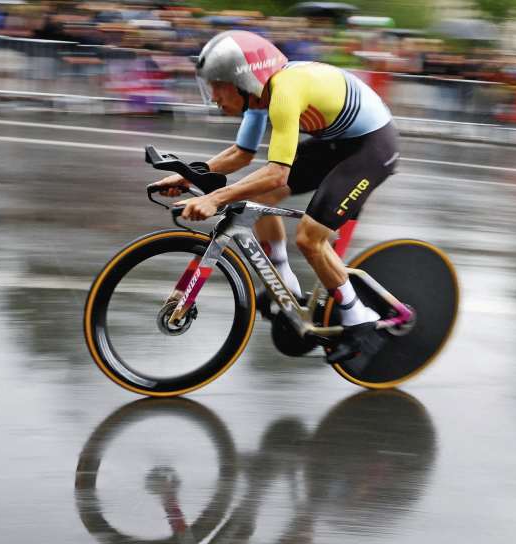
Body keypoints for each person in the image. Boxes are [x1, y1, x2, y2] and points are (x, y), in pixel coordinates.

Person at [150, 30, 399, 364]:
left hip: (372, 147)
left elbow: (277, 171)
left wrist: (216, 198)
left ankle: (360, 318)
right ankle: (288, 286)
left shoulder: (284, 90)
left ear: (243, 80)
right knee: (263, 195)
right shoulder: (258, 97)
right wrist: (187, 175)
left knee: (310, 239)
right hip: (336, 142)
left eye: (218, 86)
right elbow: (241, 155)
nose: (214, 97)